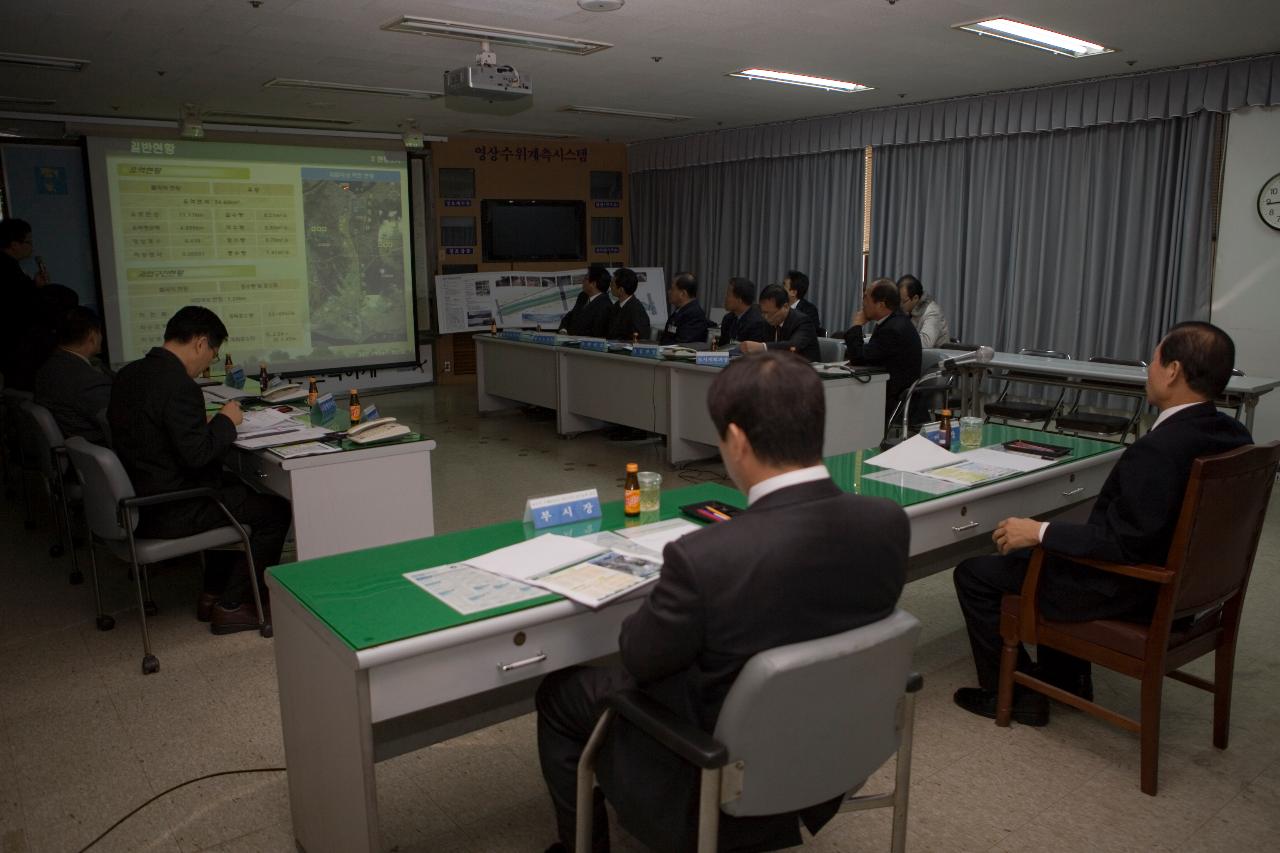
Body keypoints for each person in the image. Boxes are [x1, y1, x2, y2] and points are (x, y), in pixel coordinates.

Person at [535, 351, 909, 853]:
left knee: (560, 692)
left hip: (713, 763)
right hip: (833, 743)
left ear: (735, 440)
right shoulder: (887, 521)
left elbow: (640, 661)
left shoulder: (705, 557)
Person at [952, 322, 1252, 726]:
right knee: (1065, 536)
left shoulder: (1159, 450)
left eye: (1155, 359)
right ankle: (1066, 678)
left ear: (1173, 371)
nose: (1149, 369)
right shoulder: (1234, 434)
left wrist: (1038, 531)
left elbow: (1122, 545)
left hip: (1136, 588)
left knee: (976, 573)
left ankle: (1017, 694)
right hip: (1193, 589)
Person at [107, 306, 292, 634]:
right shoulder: (179, 386)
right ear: (200, 343)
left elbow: (155, 430)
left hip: (141, 495)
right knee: (275, 510)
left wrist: (199, 425)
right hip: (172, 506)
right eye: (213, 354)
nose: (209, 363)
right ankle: (234, 605)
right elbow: (199, 456)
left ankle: (212, 593)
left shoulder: (129, 374)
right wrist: (225, 420)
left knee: (233, 489)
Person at [843, 278, 922, 424]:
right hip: (883, 390)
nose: (863, 303)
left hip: (895, 400)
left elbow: (859, 358)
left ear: (881, 305)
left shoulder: (893, 329)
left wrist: (856, 326)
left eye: (866, 298)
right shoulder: (892, 321)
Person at [34, 306, 114, 445]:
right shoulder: (87, 381)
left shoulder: (49, 366)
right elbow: (118, 420)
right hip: (99, 446)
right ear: (92, 335)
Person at [0, 218, 50, 387]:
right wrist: (36, 290)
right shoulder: (9, 271)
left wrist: (34, 285)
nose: (32, 247)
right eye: (28, 242)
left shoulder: (12, 268)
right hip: (17, 347)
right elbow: (21, 304)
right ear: (14, 244)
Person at [738, 283, 821, 361]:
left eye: (768, 313)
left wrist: (762, 347)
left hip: (805, 370)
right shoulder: (767, 322)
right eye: (763, 312)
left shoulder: (803, 322)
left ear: (785, 307)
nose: (765, 317)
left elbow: (793, 346)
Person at [559, 265, 613, 339]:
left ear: (594, 284)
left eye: (586, 278)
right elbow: (570, 316)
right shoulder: (583, 296)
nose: (583, 281)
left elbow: (596, 332)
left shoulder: (605, 306)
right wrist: (563, 330)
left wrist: (572, 336)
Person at [897, 275, 950, 348]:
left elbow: (925, 343)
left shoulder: (933, 312)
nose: (900, 305)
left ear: (915, 298)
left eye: (903, 301)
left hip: (934, 357)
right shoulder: (906, 310)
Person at [716, 277, 770, 346]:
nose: (725, 298)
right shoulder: (728, 319)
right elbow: (721, 347)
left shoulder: (757, 323)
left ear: (740, 299)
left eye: (728, 295)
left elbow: (753, 353)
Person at [659, 272, 710, 345]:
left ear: (682, 294)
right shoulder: (680, 311)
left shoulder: (694, 315)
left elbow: (682, 345)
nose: (669, 292)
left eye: (672, 289)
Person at [605, 268, 651, 341]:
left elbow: (639, 339)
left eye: (612, 284)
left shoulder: (636, 311)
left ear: (621, 290)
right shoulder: (616, 306)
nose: (610, 287)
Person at [785, 269, 823, 336]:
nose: (780, 289)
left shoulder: (809, 311)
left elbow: (808, 335)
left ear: (793, 292)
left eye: (784, 286)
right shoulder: (778, 306)